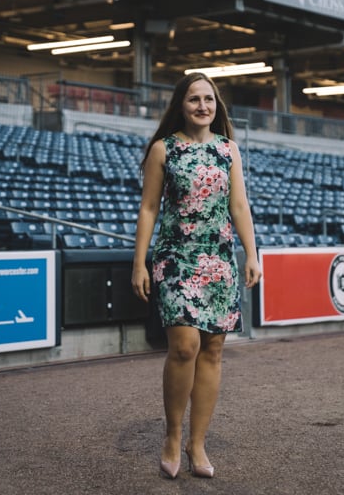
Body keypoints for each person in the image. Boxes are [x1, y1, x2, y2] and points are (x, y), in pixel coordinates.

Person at [132, 71, 261, 480]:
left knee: (213, 350)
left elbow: (239, 206)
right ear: (181, 106)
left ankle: (197, 442)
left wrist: (251, 254)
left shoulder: (228, 149)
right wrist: (140, 262)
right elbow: (149, 208)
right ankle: (173, 436)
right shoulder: (164, 149)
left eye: (208, 99)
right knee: (185, 347)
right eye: (193, 99)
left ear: (216, 105)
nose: (202, 106)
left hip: (218, 260)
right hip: (176, 258)